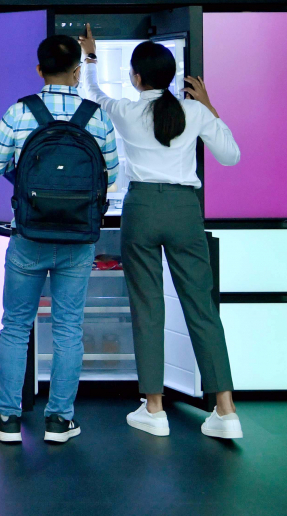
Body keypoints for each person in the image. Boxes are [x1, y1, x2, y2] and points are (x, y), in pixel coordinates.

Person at [78, 25, 244, 439]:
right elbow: (230, 156)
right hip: (185, 210)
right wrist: (209, 105)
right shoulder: (194, 112)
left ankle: (154, 410)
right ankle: (225, 410)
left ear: (136, 78)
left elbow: (92, 94)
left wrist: (91, 57)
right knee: (201, 308)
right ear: (172, 76)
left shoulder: (126, 111)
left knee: (148, 308)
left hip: (142, 209)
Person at [0, 35, 119, 444]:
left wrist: (19, 168)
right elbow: (111, 175)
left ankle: (7, 419)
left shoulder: (21, 112)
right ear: (77, 71)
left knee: (16, 326)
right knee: (68, 328)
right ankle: (59, 421)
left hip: (29, 235)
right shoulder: (96, 116)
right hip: (78, 238)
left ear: (39, 70)